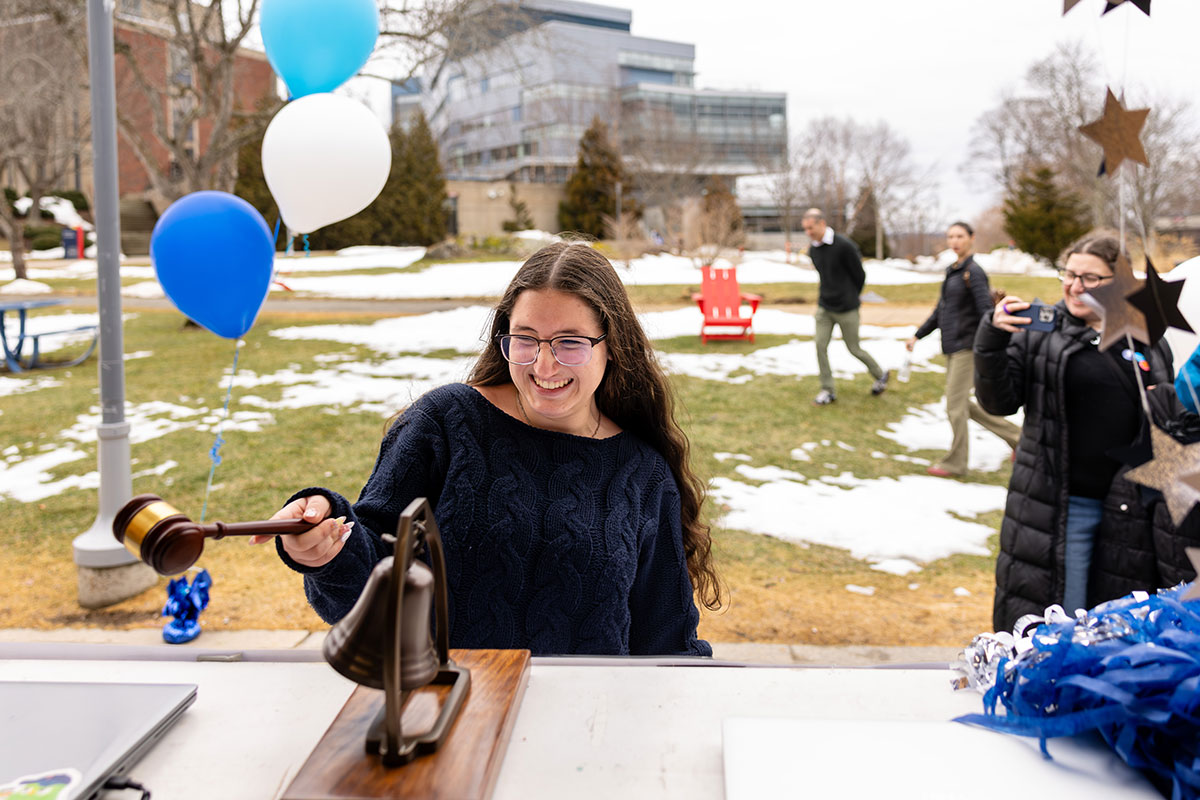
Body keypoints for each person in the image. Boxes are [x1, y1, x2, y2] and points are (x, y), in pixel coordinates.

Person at [255, 242, 719, 657]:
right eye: (526, 339)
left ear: (612, 345)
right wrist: (328, 549)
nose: (544, 364)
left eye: (571, 343)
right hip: (445, 721)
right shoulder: (447, 424)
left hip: (586, 731)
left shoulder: (642, 474)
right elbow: (367, 586)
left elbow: (666, 644)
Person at [974, 231, 1197, 632]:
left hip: (1130, 510)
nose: (1075, 286)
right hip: (1061, 508)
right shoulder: (1040, 334)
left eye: (1090, 278)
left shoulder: (1146, 338)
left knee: (1116, 623)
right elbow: (998, 402)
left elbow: (1168, 418)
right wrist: (992, 341)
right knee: (1061, 619)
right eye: (1069, 274)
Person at [907, 222, 1020, 478]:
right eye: (950, 236)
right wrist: (918, 335)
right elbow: (941, 310)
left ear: (971, 238)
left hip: (968, 347)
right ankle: (1018, 437)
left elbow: (985, 311)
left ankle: (956, 464)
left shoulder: (973, 272)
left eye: (960, 236)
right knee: (961, 405)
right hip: (952, 346)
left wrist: (990, 342)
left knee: (954, 407)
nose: (955, 241)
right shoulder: (953, 270)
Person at [801, 208, 889, 405]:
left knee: (854, 348)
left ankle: (880, 374)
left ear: (822, 224)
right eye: (805, 229)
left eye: (811, 227)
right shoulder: (814, 249)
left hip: (847, 308)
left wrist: (851, 295)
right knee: (820, 345)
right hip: (825, 307)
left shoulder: (844, 246)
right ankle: (827, 389)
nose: (808, 232)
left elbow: (859, 275)